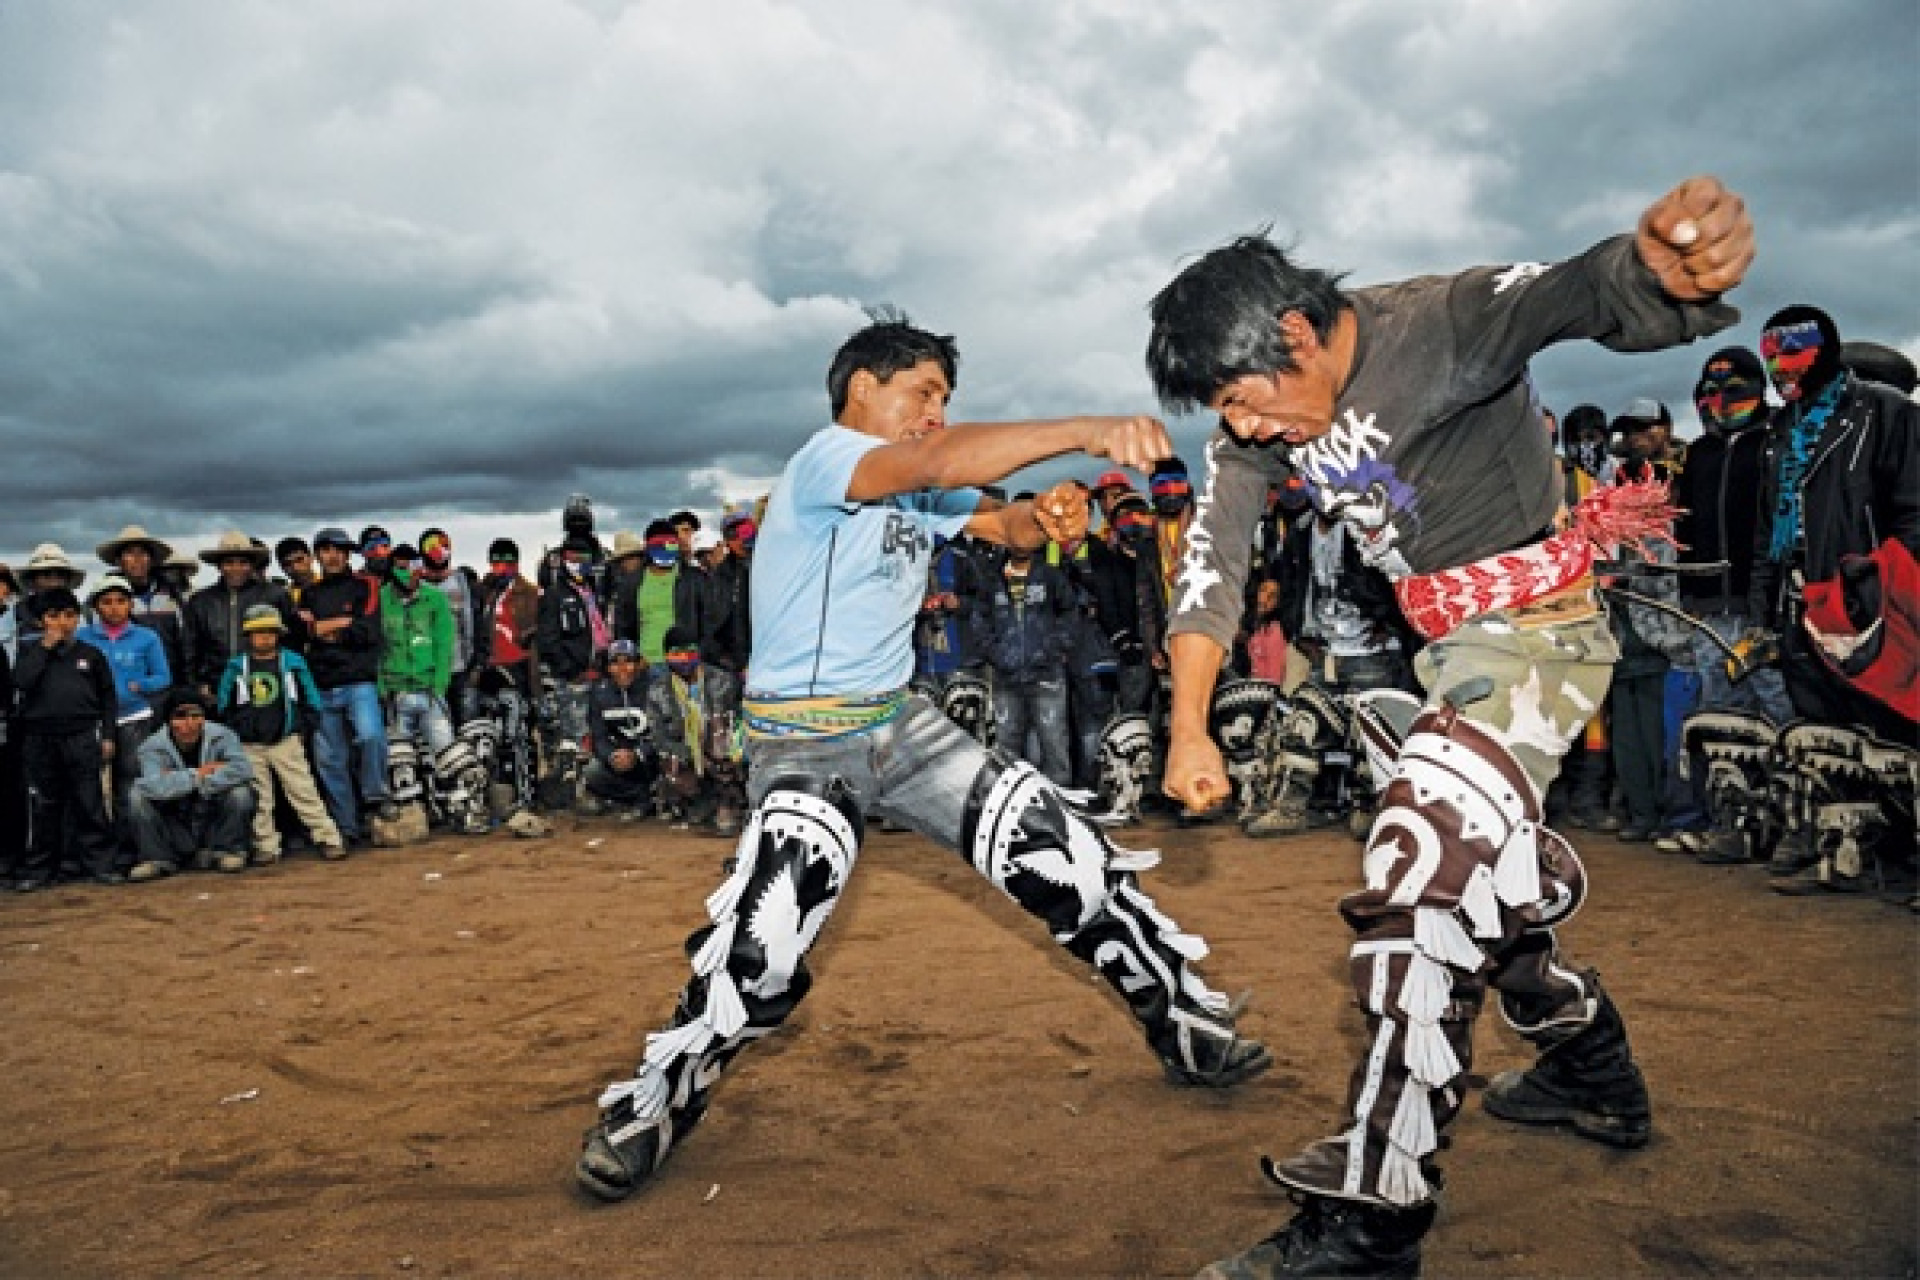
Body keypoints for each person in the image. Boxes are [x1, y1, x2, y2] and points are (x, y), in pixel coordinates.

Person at [1147, 176, 1753, 1276]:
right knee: (1481, 894)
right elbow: (1212, 569)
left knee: (1419, 870)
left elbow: (1582, 289)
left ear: (1295, 332)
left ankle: (1377, 1213)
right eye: (1225, 412)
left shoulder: (1443, 320)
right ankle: (1588, 1061)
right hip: (1439, 656)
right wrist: (1189, 727)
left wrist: (1658, 273)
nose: (1242, 427)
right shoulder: (1257, 435)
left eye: (1243, 396)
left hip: (1542, 635)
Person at [575, 311, 1270, 1204]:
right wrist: (1084, 433)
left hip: (904, 727)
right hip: (804, 745)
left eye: (946, 398)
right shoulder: (830, 459)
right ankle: (652, 1107)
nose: (936, 413)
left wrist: (1048, 514)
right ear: (863, 388)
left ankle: (1186, 1025)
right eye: (924, 393)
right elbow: (943, 464)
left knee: (1072, 861)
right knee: (762, 949)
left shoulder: (914, 493)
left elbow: (1001, 525)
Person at [1747, 304, 1920, 892]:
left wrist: (1881, 585)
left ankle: (1904, 853)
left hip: (1864, 596)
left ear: (1828, 353)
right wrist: (1763, 608)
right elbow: (1767, 525)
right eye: (1771, 357)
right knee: (1822, 728)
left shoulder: (1884, 412)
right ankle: (1844, 851)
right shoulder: (1777, 430)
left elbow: (1913, 509)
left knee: (1889, 726)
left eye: (1794, 356)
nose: (1780, 369)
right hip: (1799, 597)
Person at [216, 604, 344, 864]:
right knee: (260, 798)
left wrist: (303, 727)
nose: (264, 637)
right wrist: (235, 729)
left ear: (279, 634)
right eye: (257, 632)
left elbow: (310, 696)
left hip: (286, 740)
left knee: (303, 790)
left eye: (270, 632)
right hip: (250, 744)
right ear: (248, 636)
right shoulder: (237, 666)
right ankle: (266, 845)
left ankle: (328, 837)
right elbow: (223, 701)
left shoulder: (293, 662)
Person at [12, 587, 121, 888]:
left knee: (90, 803)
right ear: (40, 621)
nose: (62, 622)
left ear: (78, 620)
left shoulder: (90, 655)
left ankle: (100, 865)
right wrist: (45, 648)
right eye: (54, 616)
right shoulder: (29, 653)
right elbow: (21, 682)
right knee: (43, 807)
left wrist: (108, 735)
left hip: (82, 735)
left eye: (70, 616)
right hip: (39, 737)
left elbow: (108, 698)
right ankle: (39, 869)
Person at [301, 526, 395, 843]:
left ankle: (374, 797)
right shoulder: (309, 594)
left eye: (339, 550)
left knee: (371, 737)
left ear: (348, 554)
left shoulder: (365, 586)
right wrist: (342, 624)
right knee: (330, 760)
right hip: (322, 683)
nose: (332, 556)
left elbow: (369, 633)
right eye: (325, 550)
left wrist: (326, 630)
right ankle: (346, 826)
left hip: (358, 680)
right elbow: (303, 636)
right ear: (318, 555)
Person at [77, 574, 172, 858]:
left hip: (135, 717)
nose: (114, 607)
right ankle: (102, 850)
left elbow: (163, 677)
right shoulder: (83, 637)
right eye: (106, 602)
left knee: (131, 783)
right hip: (94, 721)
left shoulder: (146, 637)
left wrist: (141, 685)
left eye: (121, 601)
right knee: (95, 786)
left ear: (131, 605)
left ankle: (134, 847)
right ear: (96, 607)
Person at [126, 689, 255, 879]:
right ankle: (157, 859)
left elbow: (243, 770)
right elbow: (153, 786)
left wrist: (178, 780)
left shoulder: (223, 735)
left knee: (240, 792)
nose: (189, 724)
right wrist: (198, 774)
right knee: (137, 796)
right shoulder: (151, 746)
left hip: (211, 818)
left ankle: (228, 851)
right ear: (169, 720)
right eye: (180, 716)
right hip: (177, 823)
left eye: (196, 715)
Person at [183, 531, 296, 696]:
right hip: (216, 687)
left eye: (243, 562)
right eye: (229, 562)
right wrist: (196, 684)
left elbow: (290, 641)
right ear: (219, 566)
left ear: (252, 565)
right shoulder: (200, 601)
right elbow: (190, 648)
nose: (236, 568)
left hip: (265, 683)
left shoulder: (275, 595)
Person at [380, 543, 457, 756]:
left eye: (412, 567)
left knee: (446, 754)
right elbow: (377, 646)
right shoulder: (380, 600)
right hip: (396, 693)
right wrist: (382, 688)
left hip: (431, 690)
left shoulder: (435, 598)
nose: (408, 574)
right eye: (401, 568)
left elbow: (444, 643)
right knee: (402, 764)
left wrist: (440, 685)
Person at [96, 525, 187, 680]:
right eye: (130, 553)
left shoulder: (173, 597)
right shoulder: (103, 598)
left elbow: (186, 645)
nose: (137, 559)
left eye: (142, 553)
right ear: (119, 560)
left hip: (168, 684)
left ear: (151, 559)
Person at [580, 639, 658, 818]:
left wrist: (638, 754)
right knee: (592, 771)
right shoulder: (599, 694)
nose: (622, 669)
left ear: (638, 664)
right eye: (615, 663)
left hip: (651, 759)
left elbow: (664, 734)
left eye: (628, 662)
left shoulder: (654, 689)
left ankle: (655, 795)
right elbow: (599, 737)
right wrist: (611, 755)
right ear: (608, 668)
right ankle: (642, 797)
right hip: (620, 760)